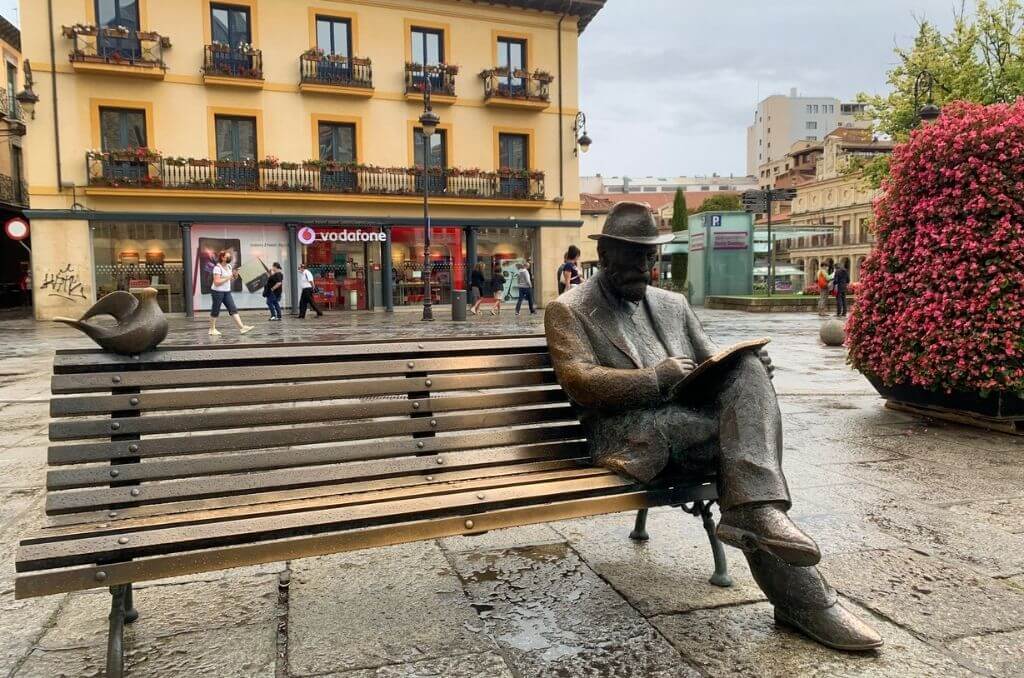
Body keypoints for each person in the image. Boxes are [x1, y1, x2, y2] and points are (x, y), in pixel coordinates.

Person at [544, 202, 882, 652]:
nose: (645, 266)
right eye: (633, 255)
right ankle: (805, 598)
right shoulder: (569, 309)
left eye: (650, 255)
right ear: (604, 254)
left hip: (691, 427)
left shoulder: (672, 304)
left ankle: (761, 525)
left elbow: (712, 362)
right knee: (741, 461)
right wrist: (654, 378)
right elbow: (579, 381)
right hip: (630, 436)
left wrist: (748, 365)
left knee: (745, 373)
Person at [209, 250, 254, 336]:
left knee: (233, 309)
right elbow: (216, 282)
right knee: (215, 310)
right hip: (217, 292)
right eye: (227, 256)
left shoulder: (229, 266)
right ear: (222, 258)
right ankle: (212, 329)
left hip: (227, 292)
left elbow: (231, 279)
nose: (230, 258)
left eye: (230, 256)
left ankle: (242, 328)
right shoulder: (217, 268)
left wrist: (235, 275)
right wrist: (228, 277)